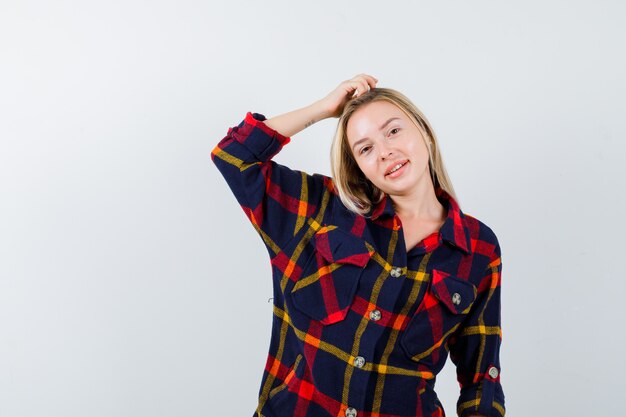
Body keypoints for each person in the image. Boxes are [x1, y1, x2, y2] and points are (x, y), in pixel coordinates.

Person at [211, 74, 505, 417]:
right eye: (365, 148)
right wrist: (324, 109)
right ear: (359, 166)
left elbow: (481, 380)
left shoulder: (478, 248)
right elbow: (234, 157)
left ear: (422, 130)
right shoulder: (322, 210)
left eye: (393, 131)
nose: (385, 152)